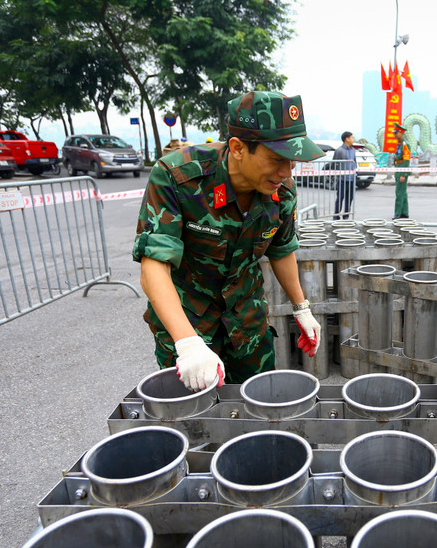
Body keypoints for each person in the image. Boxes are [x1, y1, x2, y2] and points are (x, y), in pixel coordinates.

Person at [133, 91, 325, 391]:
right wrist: (187, 343)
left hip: (248, 325)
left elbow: (281, 249)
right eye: (277, 159)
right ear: (237, 148)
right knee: (196, 422)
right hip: (188, 323)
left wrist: (302, 308)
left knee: (257, 411)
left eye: (293, 162)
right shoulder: (178, 177)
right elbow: (153, 267)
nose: (286, 172)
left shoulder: (282, 190)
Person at [332, 131, 357, 220]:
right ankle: (336, 216)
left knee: (349, 198)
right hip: (342, 179)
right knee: (340, 198)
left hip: (351, 179)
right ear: (347, 139)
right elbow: (334, 163)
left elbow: (355, 163)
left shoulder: (353, 150)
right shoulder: (339, 150)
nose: (353, 139)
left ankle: (346, 215)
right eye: (352, 137)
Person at [392, 122, 411, 219]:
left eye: (396, 133)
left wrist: (403, 174)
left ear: (401, 133)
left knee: (399, 192)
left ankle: (398, 213)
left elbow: (406, 160)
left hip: (402, 171)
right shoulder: (399, 144)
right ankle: (404, 212)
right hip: (398, 170)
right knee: (402, 192)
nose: (394, 135)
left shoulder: (405, 144)